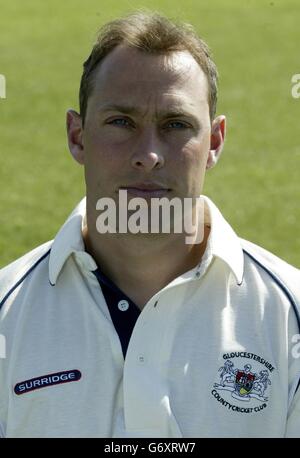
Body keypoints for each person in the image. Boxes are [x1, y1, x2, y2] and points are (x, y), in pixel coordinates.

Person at [0, 10, 299, 438]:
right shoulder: (6, 317)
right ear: (77, 136)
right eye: (122, 122)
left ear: (213, 143)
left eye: (175, 125)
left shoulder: (290, 318)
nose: (149, 154)